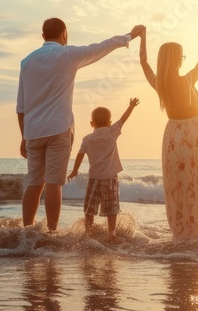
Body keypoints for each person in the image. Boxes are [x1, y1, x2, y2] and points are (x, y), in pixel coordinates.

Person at [16, 18, 144, 229]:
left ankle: (27, 233)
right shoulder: (68, 55)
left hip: (33, 130)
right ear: (64, 34)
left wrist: (24, 136)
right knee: (54, 182)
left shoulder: (26, 62)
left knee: (34, 182)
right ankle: (51, 232)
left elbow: (20, 106)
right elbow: (102, 47)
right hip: (59, 129)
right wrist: (130, 36)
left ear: (42, 36)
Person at [138, 18, 198, 240]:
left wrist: (142, 38)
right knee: (197, 184)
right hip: (193, 134)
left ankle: (180, 234)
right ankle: (196, 234)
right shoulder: (188, 80)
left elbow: (144, 62)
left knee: (177, 187)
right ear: (176, 59)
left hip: (172, 135)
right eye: (181, 56)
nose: (183, 61)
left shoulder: (159, 83)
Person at [67, 98, 141, 242]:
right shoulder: (112, 132)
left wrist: (74, 171)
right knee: (111, 207)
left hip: (94, 177)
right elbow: (123, 119)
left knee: (90, 207)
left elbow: (80, 154)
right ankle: (111, 234)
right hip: (110, 178)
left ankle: (88, 233)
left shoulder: (87, 139)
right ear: (109, 123)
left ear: (91, 123)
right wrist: (131, 106)